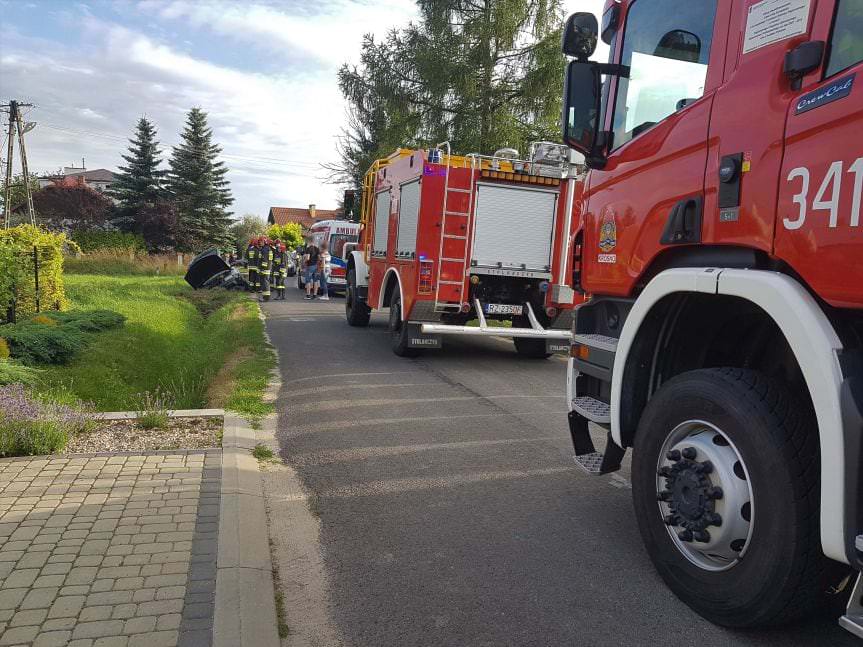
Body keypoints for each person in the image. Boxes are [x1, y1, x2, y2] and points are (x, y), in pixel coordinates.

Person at [258, 238, 273, 302]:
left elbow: (264, 261)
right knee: (266, 282)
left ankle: (266, 298)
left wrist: (262, 269)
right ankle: (265, 297)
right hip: (267, 268)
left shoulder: (264, 250)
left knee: (265, 283)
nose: (259, 243)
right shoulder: (268, 249)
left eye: (261, 241)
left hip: (265, 269)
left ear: (264, 242)